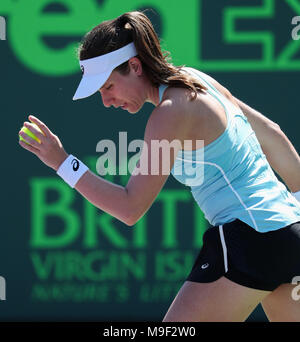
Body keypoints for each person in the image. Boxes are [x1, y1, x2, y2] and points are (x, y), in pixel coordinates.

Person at [19, 11, 300, 322]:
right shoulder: (197, 79)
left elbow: (130, 208)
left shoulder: (169, 114)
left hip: (251, 238)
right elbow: (272, 134)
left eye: (108, 86)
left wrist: (62, 163)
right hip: (289, 233)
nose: (106, 101)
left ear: (135, 66)